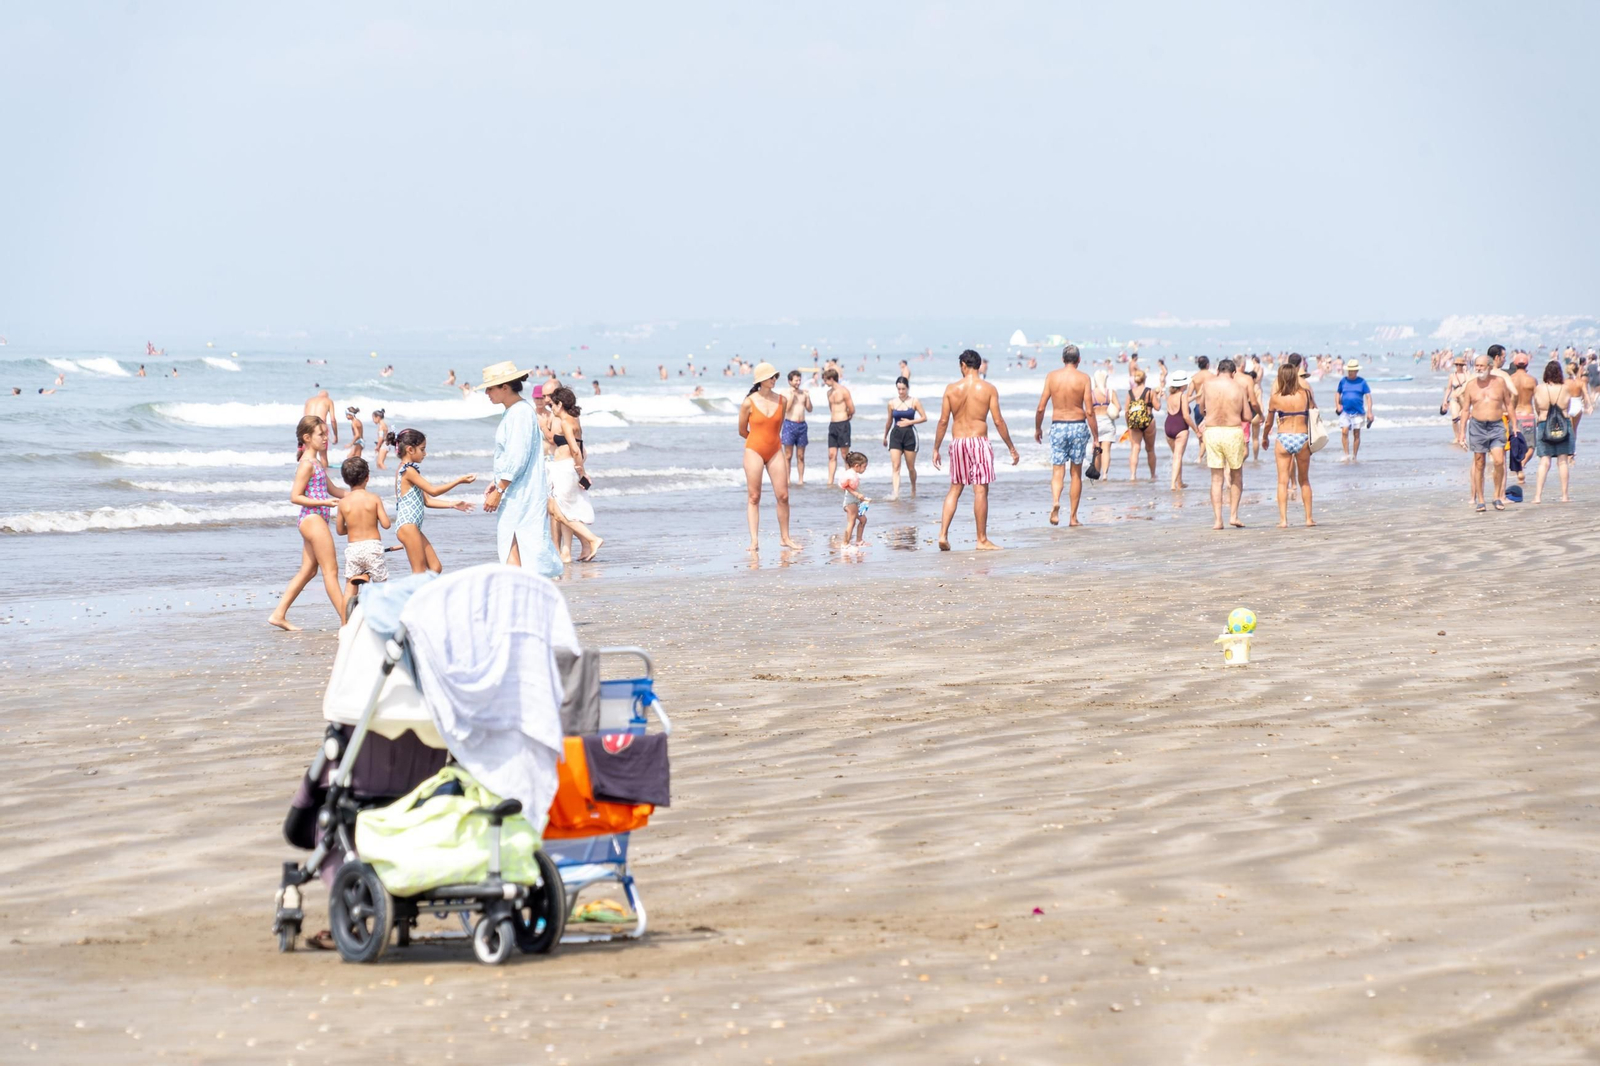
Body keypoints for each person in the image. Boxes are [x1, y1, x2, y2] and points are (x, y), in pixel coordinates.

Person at [481, 361, 563, 577]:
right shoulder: (516, 412)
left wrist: (500, 489)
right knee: (516, 546)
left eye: (490, 388)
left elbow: (517, 457)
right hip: (518, 490)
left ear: (505, 388)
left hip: (521, 493)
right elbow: (512, 455)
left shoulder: (519, 413)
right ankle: (521, 601)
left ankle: (521, 601)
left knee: (519, 548)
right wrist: (497, 480)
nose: (487, 393)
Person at [934, 349, 1020, 550]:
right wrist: (1011, 448)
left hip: (958, 443)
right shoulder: (988, 389)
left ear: (963, 365)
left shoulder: (951, 389)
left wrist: (936, 448)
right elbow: (998, 421)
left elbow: (943, 421)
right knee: (980, 489)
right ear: (979, 366)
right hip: (978, 442)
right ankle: (981, 540)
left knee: (955, 488)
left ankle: (943, 534)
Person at [267, 415, 348, 631]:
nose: (325, 438)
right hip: (312, 520)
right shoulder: (306, 464)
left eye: (326, 434)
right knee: (330, 571)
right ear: (307, 437)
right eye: (321, 434)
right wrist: (324, 502)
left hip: (315, 519)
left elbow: (333, 489)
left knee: (309, 571)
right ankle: (347, 621)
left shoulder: (316, 462)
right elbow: (295, 496)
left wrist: (359, 495)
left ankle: (278, 614)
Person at [389, 428, 475, 574]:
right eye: (422, 449)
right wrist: (458, 481)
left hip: (412, 526)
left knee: (435, 568)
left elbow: (427, 501)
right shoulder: (408, 470)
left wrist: (452, 504)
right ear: (410, 449)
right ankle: (410, 596)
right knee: (419, 572)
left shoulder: (409, 469)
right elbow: (433, 491)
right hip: (407, 525)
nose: (425, 453)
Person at [1033, 344, 1097, 526]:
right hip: (1077, 425)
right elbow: (1090, 411)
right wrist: (1096, 437)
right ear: (1078, 360)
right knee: (1075, 473)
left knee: (1057, 470)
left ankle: (1055, 501)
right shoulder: (1084, 378)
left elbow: (1040, 407)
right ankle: (1073, 518)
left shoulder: (1052, 377)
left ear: (1062, 359)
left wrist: (1038, 428)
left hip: (1058, 425)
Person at [739, 363, 801, 551]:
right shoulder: (749, 402)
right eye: (771, 377)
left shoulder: (782, 401)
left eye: (775, 376)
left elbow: (778, 426)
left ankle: (785, 538)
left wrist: (771, 442)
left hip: (775, 450)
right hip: (754, 450)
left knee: (783, 495)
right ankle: (754, 541)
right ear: (760, 380)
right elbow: (742, 430)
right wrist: (757, 443)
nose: (774, 379)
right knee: (754, 496)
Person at [1197, 358, 1257, 529]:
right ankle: (1233, 516)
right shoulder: (1239, 387)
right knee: (1236, 475)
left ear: (1217, 371)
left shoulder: (1208, 385)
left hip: (1213, 431)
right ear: (1233, 373)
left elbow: (1201, 409)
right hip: (1232, 432)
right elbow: (1246, 415)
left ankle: (1218, 520)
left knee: (1216, 479)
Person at [545, 385, 602, 562]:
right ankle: (574, 549)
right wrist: (580, 470)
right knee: (562, 509)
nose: (551, 408)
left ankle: (592, 539)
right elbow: (580, 446)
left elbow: (575, 449)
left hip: (564, 468)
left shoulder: (564, 422)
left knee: (558, 510)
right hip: (569, 467)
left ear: (559, 404)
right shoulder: (575, 419)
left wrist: (581, 471)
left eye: (552, 405)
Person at [1262, 363, 1316, 528]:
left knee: (1282, 482)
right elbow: (1314, 412)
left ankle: (1283, 520)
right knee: (1304, 480)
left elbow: (1268, 422)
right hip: (1302, 437)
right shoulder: (1305, 394)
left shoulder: (1276, 397)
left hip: (1284, 438)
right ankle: (1308, 519)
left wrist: (1264, 437)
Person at [334, 456, 392, 603]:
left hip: (354, 549)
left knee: (350, 588)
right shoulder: (374, 498)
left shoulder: (343, 503)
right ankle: (382, 620)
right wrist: (372, 521)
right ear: (368, 477)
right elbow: (386, 524)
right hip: (373, 548)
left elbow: (340, 531)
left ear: (345, 480)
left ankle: (344, 623)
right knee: (381, 586)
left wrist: (354, 526)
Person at [1461, 353, 1513, 512]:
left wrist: (1515, 425)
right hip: (1477, 426)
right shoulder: (1471, 385)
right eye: (1476, 365)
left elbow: (1509, 404)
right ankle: (1481, 500)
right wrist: (1461, 433)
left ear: (1489, 366)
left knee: (1498, 461)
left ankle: (1497, 496)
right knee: (1479, 462)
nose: (1478, 368)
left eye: (1481, 366)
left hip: (1497, 425)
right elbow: (1465, 410)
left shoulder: (1500, 382)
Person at [1533, 361, 1574, 504]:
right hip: (1563, 424)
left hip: (1544, 423)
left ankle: (1537, 496)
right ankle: (1564, 496)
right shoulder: (1565, 388)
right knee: (1562, 461)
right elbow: (1568, 407)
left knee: (1544, 461)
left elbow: (1537, 406)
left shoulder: (1539, 388)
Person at [882, 376, 927, 499]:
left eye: (903, 389)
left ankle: (913, 488)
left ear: (908, 388)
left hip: (910, 435)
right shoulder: (891, 403)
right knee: (896, 466)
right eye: (899, 389)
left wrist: (910, 422)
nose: (901, 391)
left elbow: (924, 418)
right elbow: (889, 421)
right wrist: (885, 436)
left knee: (910, 467)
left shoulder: (914, 401)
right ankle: (896, 494)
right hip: (895, 435)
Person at [1508, 353, 1538, 486]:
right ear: (1527, 364)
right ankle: (1522, 464)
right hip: (1528, 414)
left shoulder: (1510, 379)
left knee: (1515, 444)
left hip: (1514, 415)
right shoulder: (1532, 380)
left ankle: (1518, 466)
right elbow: (1537, 400)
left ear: (1514, 364)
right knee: (1530, 446)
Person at [1124, 368, 1158, 480]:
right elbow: (1157, 407)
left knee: (1135, 448)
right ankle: (1153, 475)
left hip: (1134, 423)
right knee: (1150, 449)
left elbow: (1126, 411)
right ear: (1145, 379)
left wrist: (1129, 425)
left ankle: (1133, 475)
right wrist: (1159, 397)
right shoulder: (1149, 391)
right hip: (1148, 422)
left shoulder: (1130, 393)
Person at [1335, 361, 1373, 461]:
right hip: (1345, 411)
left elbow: (1368, 397)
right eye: (1349, 370)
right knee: (1344, 431)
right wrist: (1338, 405)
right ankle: (1346, 455)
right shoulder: (1343, 381)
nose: (1350, 372)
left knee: (1356, 434)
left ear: (1356, 371)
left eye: (1352, 371)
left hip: (1358, 412)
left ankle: (1354, 456)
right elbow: (1338, 393)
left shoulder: (1362, 382)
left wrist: (1369, 412)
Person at [823, 368, 855, 486]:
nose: (824, 382)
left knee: (844, 454)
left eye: (825, 380)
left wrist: (846, 417)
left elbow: (851, 408)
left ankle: (849, 479)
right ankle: (830, 481)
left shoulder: (844, 391)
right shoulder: (829, 393)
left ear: (831, 379)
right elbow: (831, 408)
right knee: (831, 454)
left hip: (843, 424)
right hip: (833, 425)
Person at [780, 369, 813, 486]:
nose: (798, 382)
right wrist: (792, 397)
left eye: (799, 380)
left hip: (802, 425)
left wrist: (808, 397)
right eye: (795, 380)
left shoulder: (803, 393)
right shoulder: (785, 393)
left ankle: (800, 479)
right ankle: (787, 479)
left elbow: (809, 409)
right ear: (790, 381)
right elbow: (786, 410)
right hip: (790, 424)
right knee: (788, 455)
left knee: (801, 456)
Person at [1163, 371, 1192, 490]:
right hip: (1180, 428)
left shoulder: (1170, 397)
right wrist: (1196, 430)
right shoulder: (1183, 396)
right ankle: (1172, 484)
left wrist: (1196, 396)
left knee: (1177, 455)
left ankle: (1179, 482)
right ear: (1183, 385)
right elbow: (1186, 416)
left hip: (1168, 427)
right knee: (1178, 456)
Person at [1088, 368, 1118, 477]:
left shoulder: (1091, 393)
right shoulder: (1110, 392)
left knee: (1097, 449)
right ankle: (1105, 474)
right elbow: (1118, 407)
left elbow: (1089, 411)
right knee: (1106, 450)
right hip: (1108, 422)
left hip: (1096, 423)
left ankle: (1097, 473)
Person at [838, 451, 871, 549]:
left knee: (863, 520)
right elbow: (845, 486)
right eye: (864, 467)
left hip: (856, 502)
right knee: (851, 522)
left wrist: (863, 499)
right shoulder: (849, 475)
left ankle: (859, 541)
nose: (865, 469)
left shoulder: (853, 474)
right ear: (857, 466)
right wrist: (857, 494)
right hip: (850, 502)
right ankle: (845, 543)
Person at [302, 389, 338, 466]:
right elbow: (333, 420)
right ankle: (323, 476)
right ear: (327, 396)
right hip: (320, 427)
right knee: (323, 456)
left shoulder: (309, 400)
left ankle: (307, 474)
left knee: (308, 453)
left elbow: (304, 418)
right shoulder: (328, 401)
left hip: (307, 426)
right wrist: (335, 435)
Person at [1441, 355, 1470, 448]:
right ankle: (1457, 436)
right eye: (1457, 365)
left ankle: (1462, 436)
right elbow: (1449, 388)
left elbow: (1470, 383)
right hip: (1454, 399)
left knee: (1463, 418)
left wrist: (1466, 372)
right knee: (1454, 417)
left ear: (1463, 365)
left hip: (1465, 399)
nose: (1458, 366)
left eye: (1460, 365)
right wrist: (1445, 400)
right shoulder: (1452, 376)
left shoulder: (1467, 374)